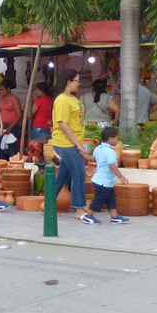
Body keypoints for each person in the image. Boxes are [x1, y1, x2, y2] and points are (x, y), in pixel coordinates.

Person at [51, 68, 91, 222]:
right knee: (79, 174)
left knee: (63, 175)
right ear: (69, 82)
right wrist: (78, 144)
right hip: (65, 143)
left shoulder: (73, 99)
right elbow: (63, 125)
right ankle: (79, 208)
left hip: (73, 142)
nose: (78, 84)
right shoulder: (61, 100)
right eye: (77, 81)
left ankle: (47, 202)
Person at [84, 126, 130, 224]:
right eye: (117, 138)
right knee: (99, 199)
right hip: (103, 182)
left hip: (102, 181)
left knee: (111, 199)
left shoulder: (99, 148)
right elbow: (112, 166)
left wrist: (84, 156)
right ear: (111, 139)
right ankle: (88, 215)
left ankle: (114, 216)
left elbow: (93, 158)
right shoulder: (110, 152)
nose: (118, 140)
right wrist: (121, 177)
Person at [0, 80, 23, 159]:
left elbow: (19, 115)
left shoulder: (14, 99)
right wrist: (1, 125)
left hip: (12, 126)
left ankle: (13, 164)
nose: (1, 91)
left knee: (12, 148)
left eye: (2, 89)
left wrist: (10, 128)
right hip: (1, 125)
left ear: (8, 89)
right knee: (0, 147)